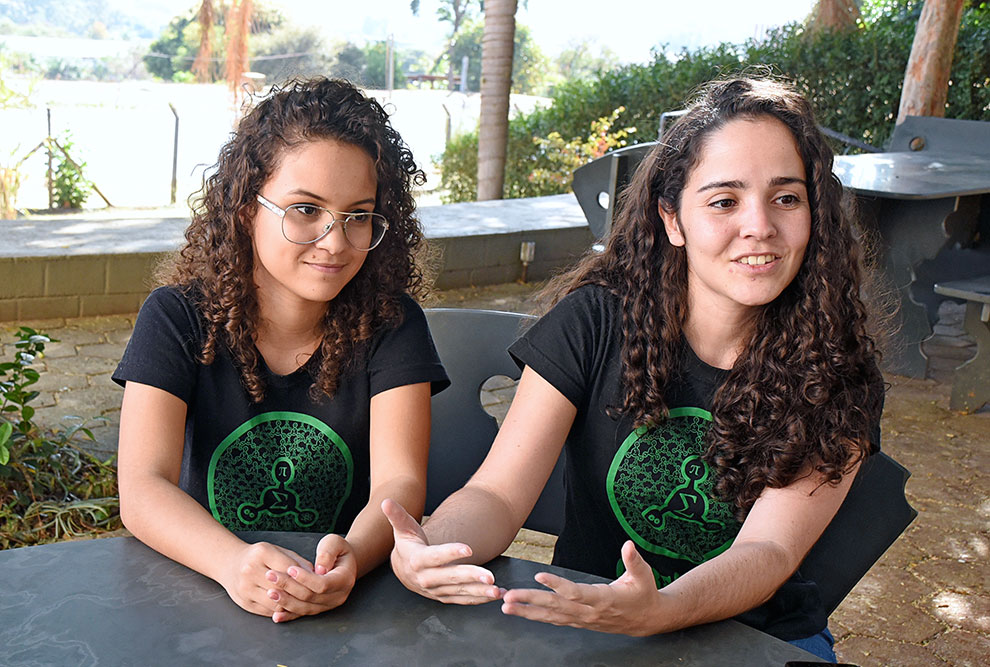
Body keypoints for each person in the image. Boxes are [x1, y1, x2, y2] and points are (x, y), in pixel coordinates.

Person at [383, 76, 884, 662]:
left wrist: (662, 610)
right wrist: (433, 548)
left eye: (786, 197)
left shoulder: (836, 367)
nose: (760, 226)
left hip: (758, 636)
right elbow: (496, 493)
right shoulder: (595, 321)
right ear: (672, 220)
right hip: (592, 622)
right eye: (724, 200)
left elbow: (768, 552)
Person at [114, 77, 449, 623]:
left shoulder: (392, 323)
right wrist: (232, 564)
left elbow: (400, 481)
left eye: (358, 216)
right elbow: (142, 489)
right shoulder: (176, 319)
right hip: (203, 589)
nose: (336, 241)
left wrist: (355, 557)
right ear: (247, 208)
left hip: (350, 605)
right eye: (306, 210)